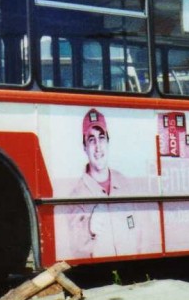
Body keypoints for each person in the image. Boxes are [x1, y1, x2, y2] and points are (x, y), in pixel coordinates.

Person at [65, 109, 154, 258]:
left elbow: (144, 234)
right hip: (100, 274)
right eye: (91, 140)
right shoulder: (75, 197)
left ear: (108, 142)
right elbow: (75, 250)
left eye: (101, 138)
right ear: (84, 147)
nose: (98, 146)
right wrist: (89, 229)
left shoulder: (126, 185)